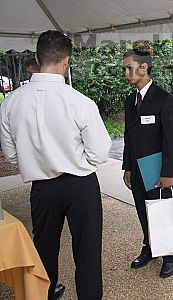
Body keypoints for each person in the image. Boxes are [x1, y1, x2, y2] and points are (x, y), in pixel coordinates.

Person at [0, 30, 111, 299]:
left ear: (37, 58)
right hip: (81, 185)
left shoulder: (11, 103)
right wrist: (76, 161)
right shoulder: (80, 102)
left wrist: (37, 161)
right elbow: (100, 153)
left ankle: (45, 295)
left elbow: (11, 156)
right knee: (87, 253)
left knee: (44, 250)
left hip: (42, 188)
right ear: (67, 61)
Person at [122, 49, 173, 278]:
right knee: (143, 211)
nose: (126, 72)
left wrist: (169, 173)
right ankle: (150, 247)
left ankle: (170, 254)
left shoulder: (163, 99)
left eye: (129, 67)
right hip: (137, 170)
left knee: (162, 213)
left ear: (143, 68)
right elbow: (128, 136)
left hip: (158, 171)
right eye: (124, 68)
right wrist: (127, 167)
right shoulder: (130, 101)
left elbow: (171, 139)